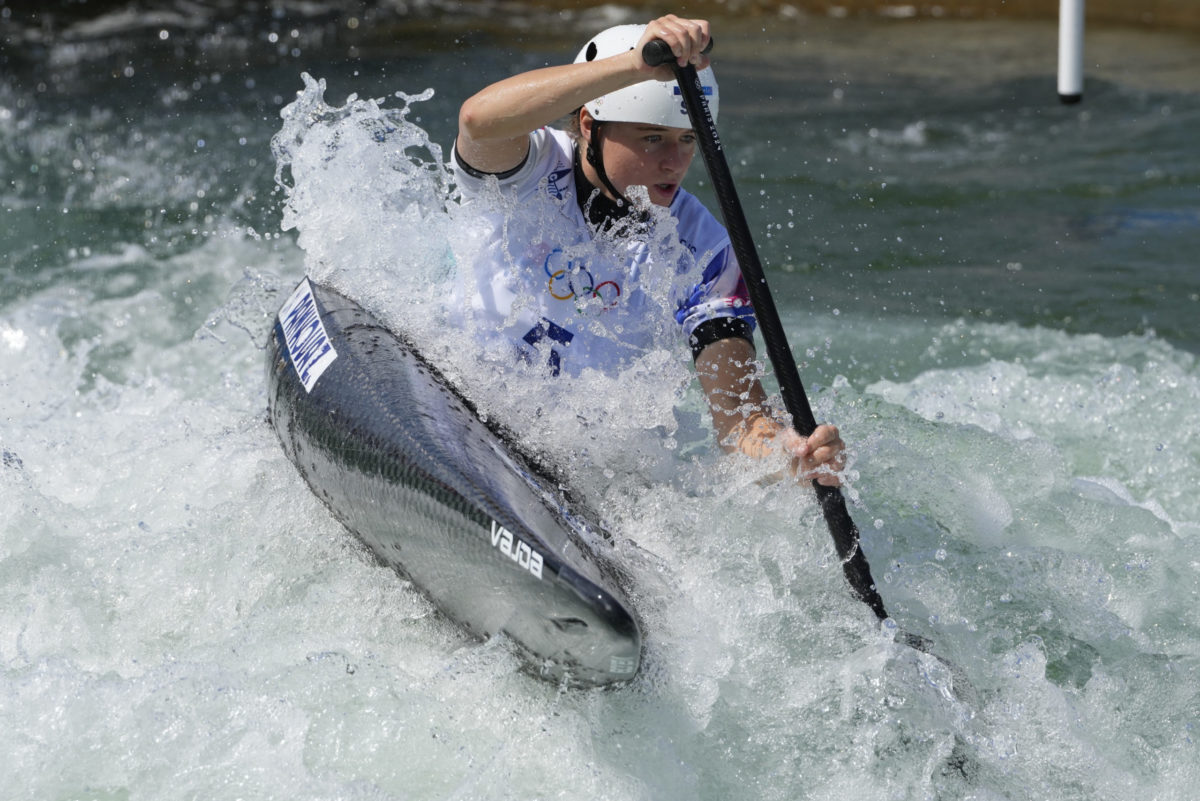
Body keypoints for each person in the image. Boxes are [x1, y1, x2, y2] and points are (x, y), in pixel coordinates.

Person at [451, 14, 845, 487]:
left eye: (687, 140)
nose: (674, 161)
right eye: (652, 137)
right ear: (588, 124)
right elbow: (478, 120)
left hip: (574, 466)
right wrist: (634, 66)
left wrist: (788, 454)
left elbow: (739, 423)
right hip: (454, 396)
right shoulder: (530, 165)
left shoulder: (705, 250)